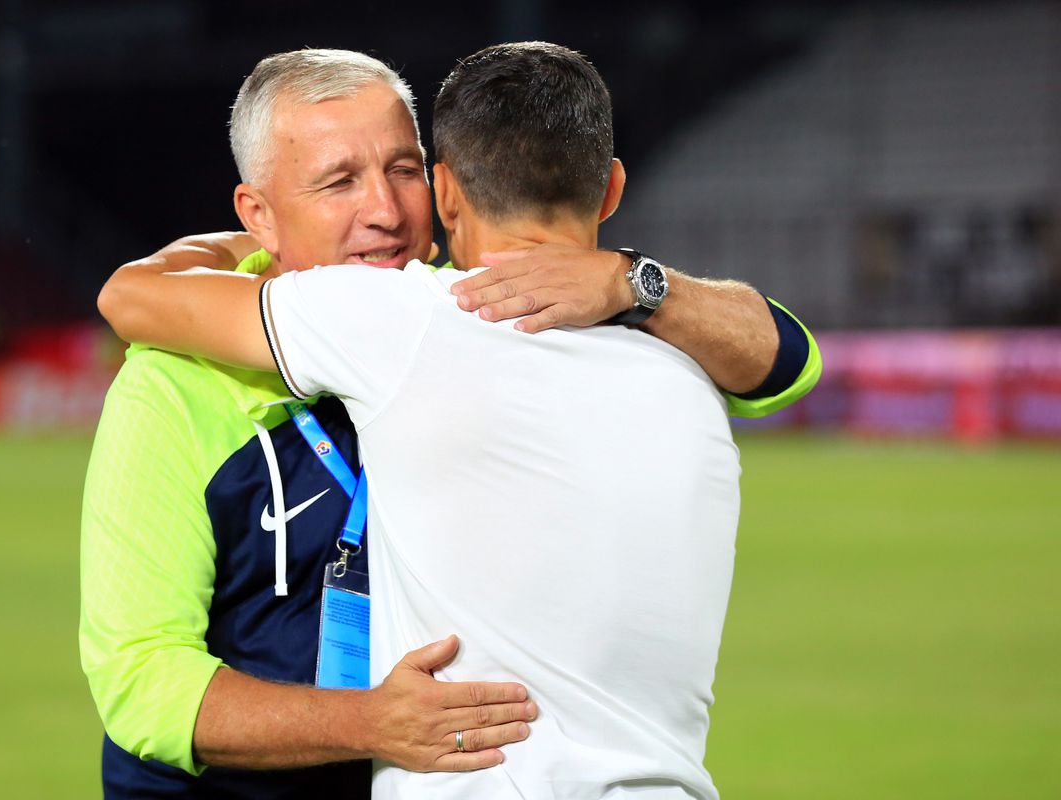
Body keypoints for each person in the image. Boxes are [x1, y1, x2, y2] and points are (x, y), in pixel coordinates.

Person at [87, 47, 818, 798]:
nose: (385, 209)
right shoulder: (172, 386)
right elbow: (143, 684)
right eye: (339, 182)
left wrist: (630, 279)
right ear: (258, 213)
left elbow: (785, 362)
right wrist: (367, 722)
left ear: (442, 186)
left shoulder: (472, 310)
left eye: (403, 169)